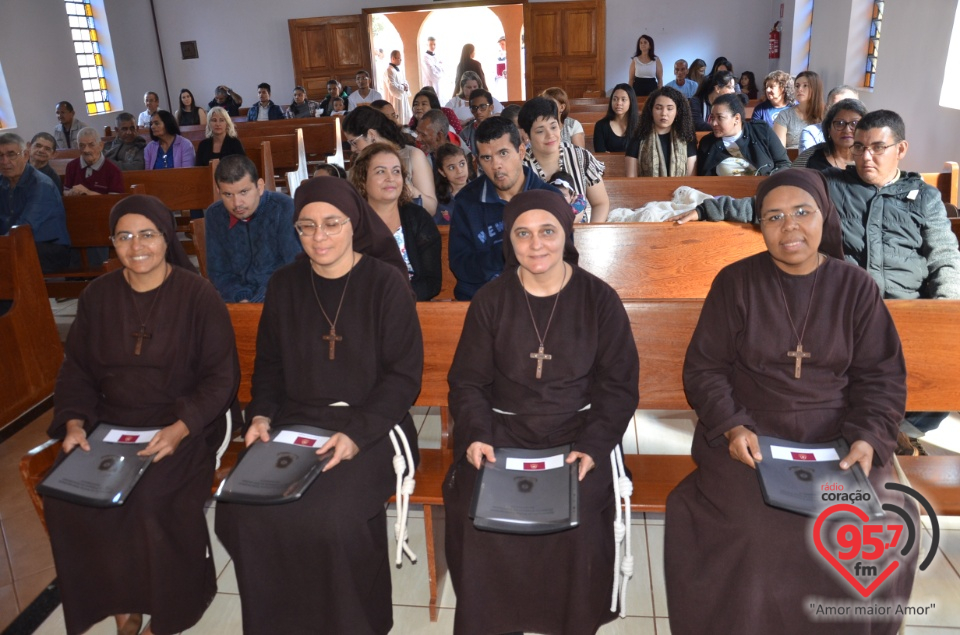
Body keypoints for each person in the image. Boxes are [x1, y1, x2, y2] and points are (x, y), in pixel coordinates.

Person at [665, 168, 918, 635]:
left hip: (839, 436)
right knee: (753, 529)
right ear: (759, 225)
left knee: (879, 520)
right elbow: (705, 369)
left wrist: (868, 438)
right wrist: (733, 427)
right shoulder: (735, 283)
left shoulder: (856, 287)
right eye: (774, 217)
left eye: (803, 212)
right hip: (752, 436)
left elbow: (881, 376)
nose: (790, 227)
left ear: (825, 216)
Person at [214, 176, 422, 635]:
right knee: (241, 509)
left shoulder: (385, 283)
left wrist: (356, 435)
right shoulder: (286, 284)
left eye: (331, 224)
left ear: (354, 225)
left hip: (372, 426)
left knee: (329, 516)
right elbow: (268, 365)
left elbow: (404, 378)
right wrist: (262, 415)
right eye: (306, 227)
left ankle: (354, 622)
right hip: (295, 421)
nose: (319, 237)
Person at [443, 188, 640, 634]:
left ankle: (570, 622)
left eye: (547, 231)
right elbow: (468, 382)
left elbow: (619, 387)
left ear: (565, 234)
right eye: (523, 234)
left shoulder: (600, 299)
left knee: (580, 515)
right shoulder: (491, 300)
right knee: (478, 511)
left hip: (579, 432)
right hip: (501, 432)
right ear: (509, 241)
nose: (536, 245)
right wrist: (475, 433)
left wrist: (593, 445)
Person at [44, 194, 238, 635]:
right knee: (70, 497)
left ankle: (176, 605)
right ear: (112, 243)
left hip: (187, 424)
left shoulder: (198, 295)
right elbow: (76, 370)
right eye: (125, 236)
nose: (137, 246)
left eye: (148, 234)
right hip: (111, 425)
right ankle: (121, 604)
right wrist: (73, 422)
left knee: (150, 498)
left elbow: (220, 378)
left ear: (167, 239)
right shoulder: (97, 296)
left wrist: (179, 430)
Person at [448, 117, 558, 300]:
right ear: (477, 162)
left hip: (537, 303)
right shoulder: (467, 202)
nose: (496, 165)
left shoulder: (549, 199)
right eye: (486, 158)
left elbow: (564, 261)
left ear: (521, 151)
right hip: (485, 304)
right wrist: (505, 253)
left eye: (503, 153)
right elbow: (460, 266)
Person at [350, 142, 441, 300]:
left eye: (396, 171)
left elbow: (431, 283)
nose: (390, 178)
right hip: (366, 311)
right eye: (380, 172)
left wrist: (396, 300)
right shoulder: (351, 224)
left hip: (413, 306)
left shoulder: (418, 218)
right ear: (363, 179)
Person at [204, 155, 301, 303]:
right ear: (218, 191)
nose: (237, 203)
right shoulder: (214, 215)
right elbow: (218, 272)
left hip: (279, 298)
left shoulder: (283, 208)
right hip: (234, 300)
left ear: (260, 186)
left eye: (244, 192)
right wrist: (241, 297)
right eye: (228, 194)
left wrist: (258, 302)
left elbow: (293, 267)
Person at [519, 97, 609, 223]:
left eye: (553, 127)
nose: (550, 135)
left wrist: (589, 233)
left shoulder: (581, 156)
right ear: (527, 135)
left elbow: (600, 203)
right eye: (540, 131)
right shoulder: (520, 168)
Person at [343, 106, 438, 215]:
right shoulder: (359, 163)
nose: (352, 149)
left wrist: (402, 186)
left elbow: (431, 208)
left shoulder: (413, 156)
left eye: (354, 142)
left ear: (371, 135)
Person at [0, 132, 71, 272]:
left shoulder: (41, 184)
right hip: (15, 245)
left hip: (49, 249)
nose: (5, 161)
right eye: (0, 156)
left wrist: (2, 246)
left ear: (25, 155)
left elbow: (25, 228)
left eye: (11, 154)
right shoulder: (2, 182)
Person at [696, 93, 790, 176]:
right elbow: (703, 177)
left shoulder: (761, 131)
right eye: (712, 118)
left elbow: (783, 163)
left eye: (720, 117)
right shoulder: (707, 143)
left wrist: (769, 181)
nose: (713, 123)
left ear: (736, 118)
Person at [626, 86, 697, 177]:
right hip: (646, 190)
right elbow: (631, 179)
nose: (664, 113)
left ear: (677, 112)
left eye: (670, 108)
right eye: (658, 108)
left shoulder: (686, 138)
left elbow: (691, 178)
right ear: (651, 110)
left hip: (681, 190)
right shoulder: (638, 138)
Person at [792, 98, 867, 171]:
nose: (847, 130)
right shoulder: (809, 157)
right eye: (839, 123)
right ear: (829, 128)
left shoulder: (871, 158)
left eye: (854, 123)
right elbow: (789, 179)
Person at [63, 127, 124, 196]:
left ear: (101, 146)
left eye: (91, 145)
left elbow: (113, 201)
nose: (86, 150)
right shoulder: (71, 166)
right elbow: (65, 191)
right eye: (82, 146)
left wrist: (87, 192)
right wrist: (71, 193)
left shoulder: (113, 170)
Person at [798, 85, 859, 152]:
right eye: (836, 107)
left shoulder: (864, 133)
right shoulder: (812, 133)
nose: (843, 113)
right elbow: (809, 161)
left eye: (850, 107)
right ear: (827, 108)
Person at [774, 70, 824, 149]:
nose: (799, 89)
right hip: (792, 159)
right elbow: (779, 151)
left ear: (815, 88)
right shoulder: (785, 115)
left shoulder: (826, 114)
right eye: (797, 86)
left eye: (805, 85)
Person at [434, 142, 474, 224]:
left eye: (462, 164)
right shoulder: (437, 200)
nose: (459, 171)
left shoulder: (480, 191)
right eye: (451, 167)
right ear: (442, 172)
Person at [593, 83, 639, 153]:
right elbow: (601, 155)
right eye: (615, 99)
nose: (618, 103)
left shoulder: (639, 125)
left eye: (623, 99)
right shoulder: (601, 125)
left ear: (631, 102)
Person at [459, 89, 496, 154]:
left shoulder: (501, 129)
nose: (478, 111)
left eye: (483, 106)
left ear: (491, 107)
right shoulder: (465, 134)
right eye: (474, 108)